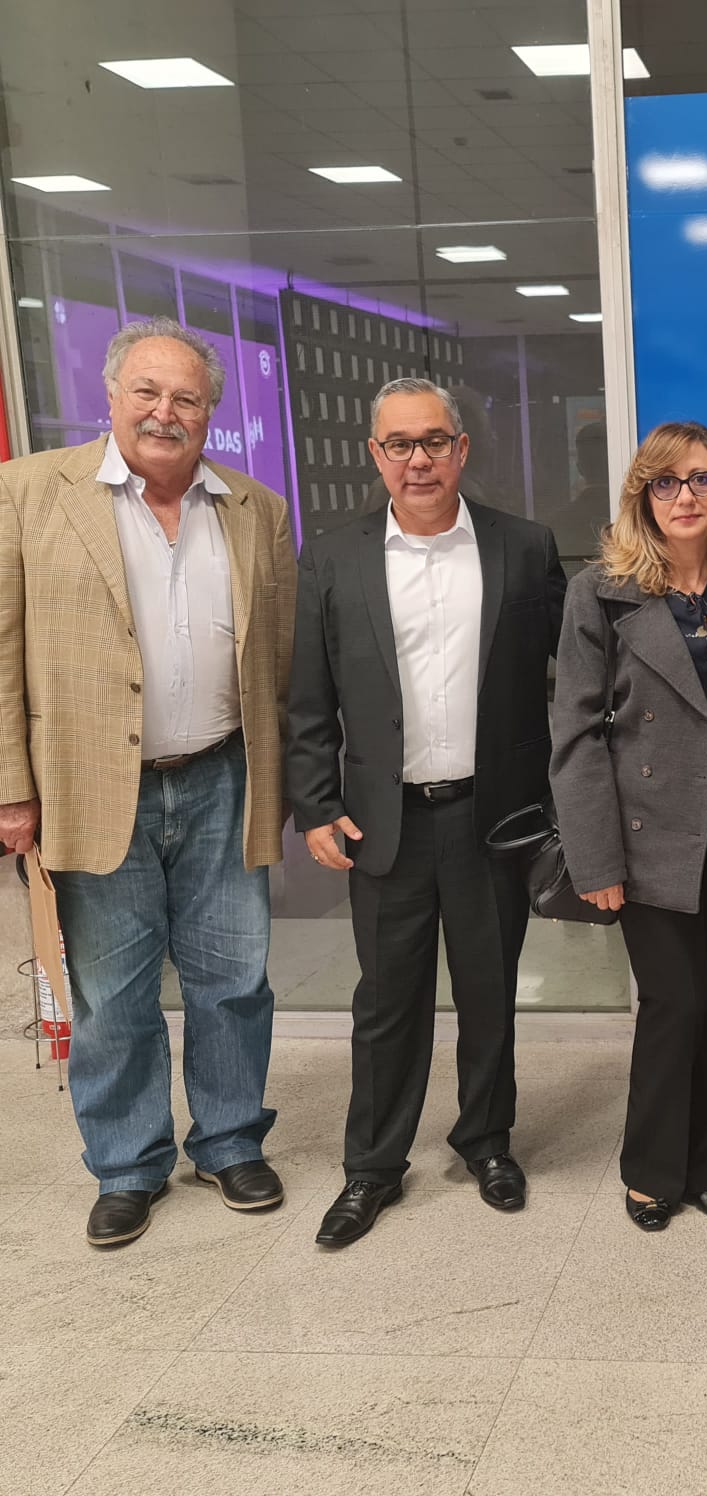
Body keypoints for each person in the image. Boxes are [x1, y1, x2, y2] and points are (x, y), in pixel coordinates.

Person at [0, 317, 295, 1246]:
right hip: (91, 788)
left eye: (187, 399)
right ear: (113, 395)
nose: (166, 413)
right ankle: (128, 1164)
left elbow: (277, 659)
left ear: (211, 412)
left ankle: (232, 1140)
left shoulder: (256, 508)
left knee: (234, 978)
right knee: (113, 992)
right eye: (148, 393)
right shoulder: (28, 493)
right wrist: (11, 788)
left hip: (222, 779)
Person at [286, 376, 566, 1247]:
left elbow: (570, 678)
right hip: (386, 823)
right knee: (387, 1002)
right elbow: (309, 701)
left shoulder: (524, 549)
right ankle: (372, 1167)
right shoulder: (332, 560)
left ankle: (486, 1141)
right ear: (375, 455)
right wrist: (316, 805)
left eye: (434, 442)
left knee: (490, 996)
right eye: (399, 445)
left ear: (462, 449)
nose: (419, 460)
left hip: (495, 818)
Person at [550, 421, 707, 1231]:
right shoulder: (601, 592)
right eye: (667, 482)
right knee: (674, 1000)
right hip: (644, 838)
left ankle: (702, 1158)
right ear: (641, 494)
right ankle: (651, 1166)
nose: (686, 497)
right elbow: (575, 735)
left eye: (703, 480)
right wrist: (593, 859)